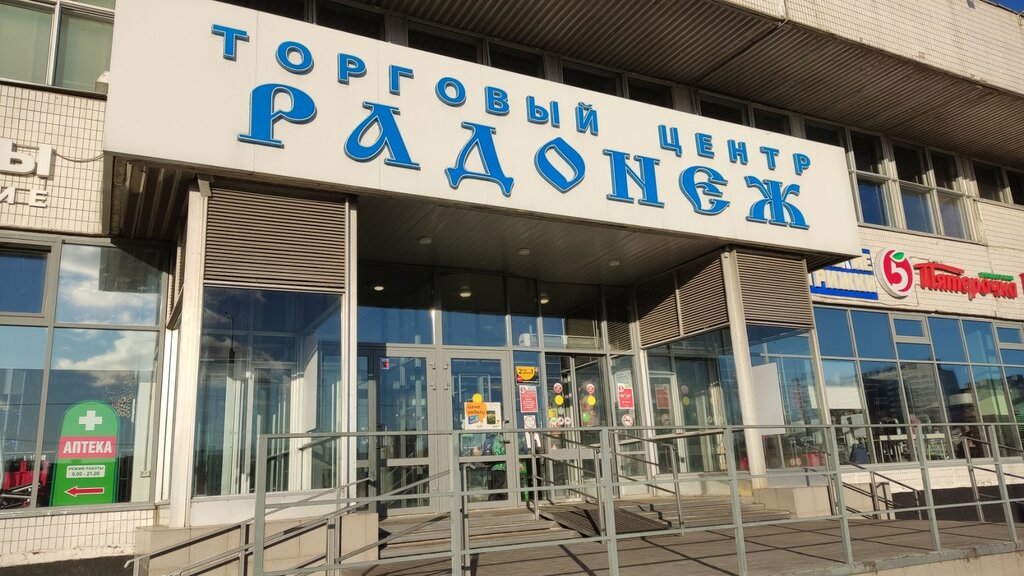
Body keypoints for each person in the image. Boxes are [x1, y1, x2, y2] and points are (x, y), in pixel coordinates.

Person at [488, 433, 507, 501]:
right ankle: (492, 497)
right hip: (498, 466)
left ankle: (498, 497)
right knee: (499, 481)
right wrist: (504, 454)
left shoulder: (502, 437)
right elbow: (495, 451)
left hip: (501, 465)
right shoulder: (498, 438)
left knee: (501, 482)